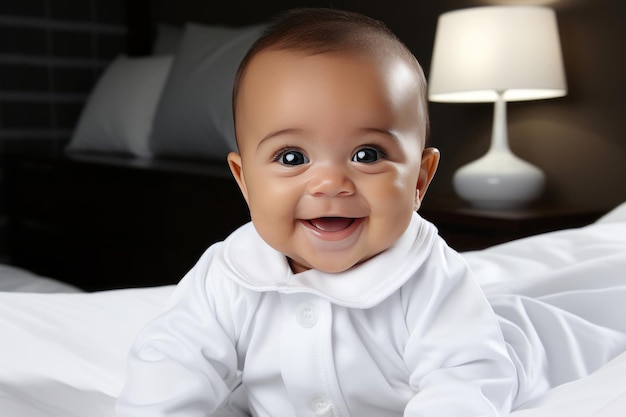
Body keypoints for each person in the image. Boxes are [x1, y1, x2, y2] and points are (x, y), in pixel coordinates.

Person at [116, 8, 518, 417]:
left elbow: (466, 381)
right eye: (292, 157)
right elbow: (171, 360)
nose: (330, 183)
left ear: (419, 179)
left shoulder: (430, 276)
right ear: (245, 181)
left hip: (497, 352)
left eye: (367, 154)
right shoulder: (230, 271)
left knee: (528, 340)